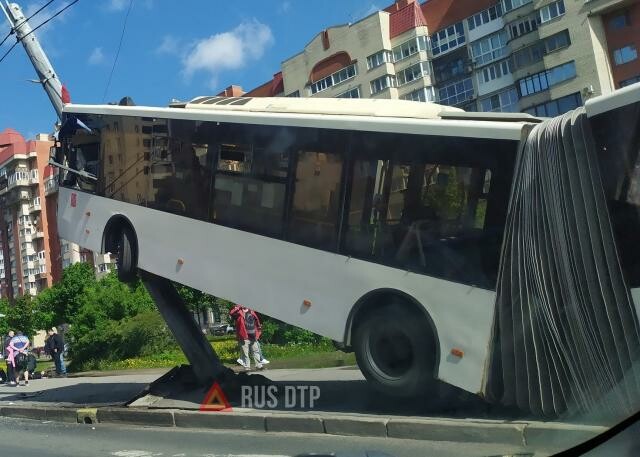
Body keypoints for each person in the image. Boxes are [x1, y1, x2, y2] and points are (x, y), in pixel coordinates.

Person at [229, 305, 263, 370]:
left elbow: (257, 321)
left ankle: (258, 365)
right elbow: (231, 313)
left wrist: (258, 331)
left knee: (256, 351)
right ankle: (247, 367)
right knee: (245, 352)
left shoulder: (251, 311)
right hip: (244, 336)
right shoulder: (238, 313)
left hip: (253, 335)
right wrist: (238, 307)